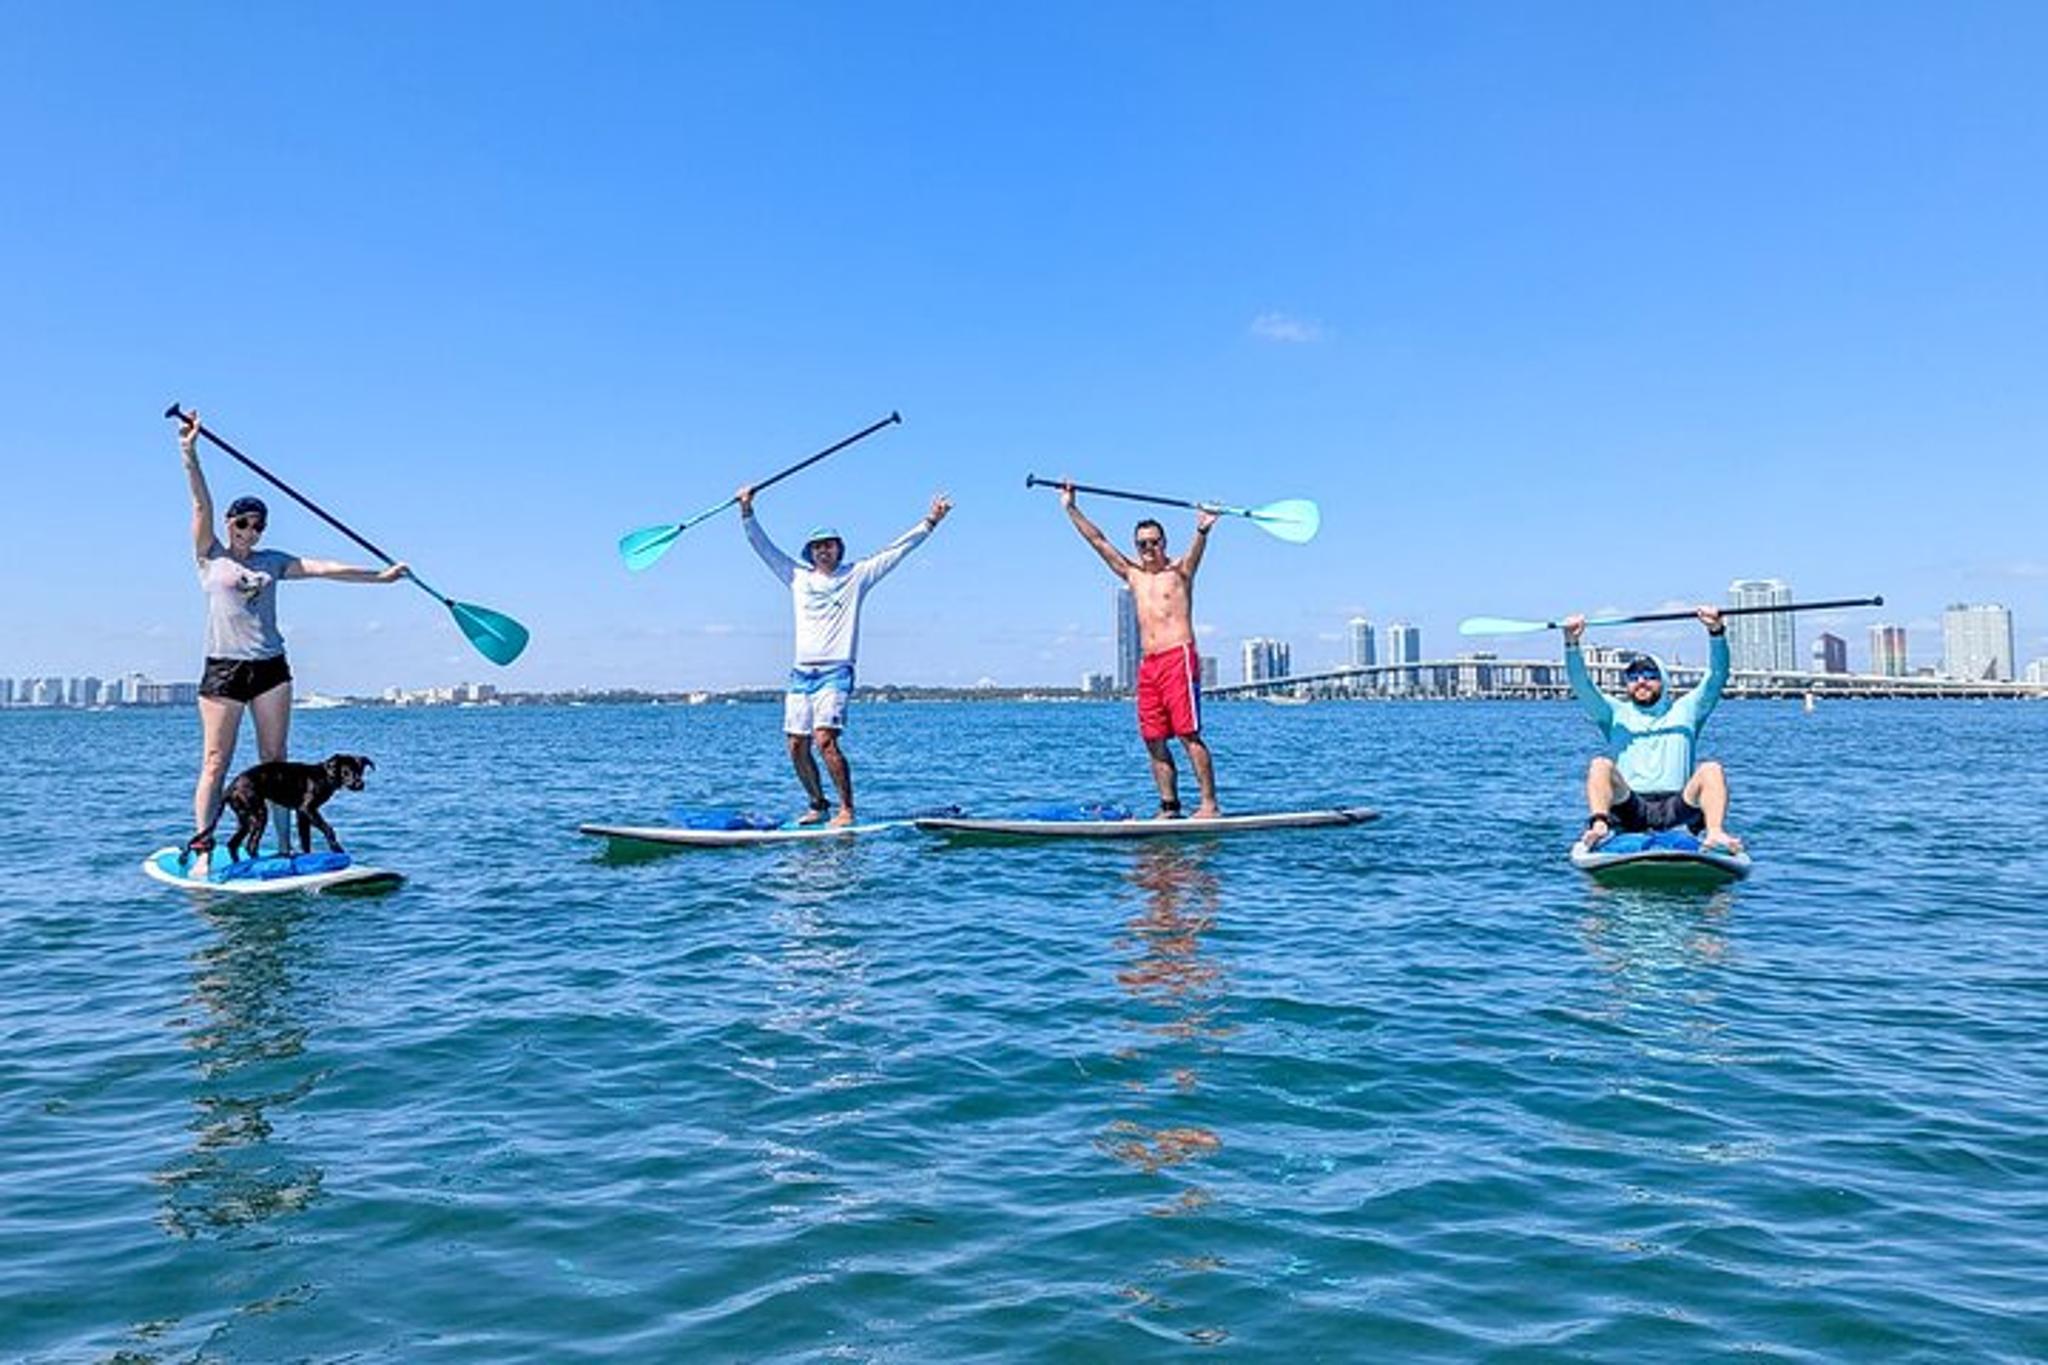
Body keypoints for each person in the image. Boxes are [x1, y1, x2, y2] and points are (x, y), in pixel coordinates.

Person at [178, 410, 408, 871]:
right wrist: (190, 453)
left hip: (271, 668)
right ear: (230, 523)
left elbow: (323, 568)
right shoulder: (210, 557)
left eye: (258, 525)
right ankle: (203, 850)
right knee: (215, 761)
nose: (250, 531)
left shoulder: (273, 561)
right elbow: (201, 506)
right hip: (223, 670)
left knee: (275, 761)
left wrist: (380, 578)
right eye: (243, 523)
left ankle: (285, 848)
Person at [739, 483, 951, 826]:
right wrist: (747, 511)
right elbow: (762, 547)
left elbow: (897, 550)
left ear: (839, 548)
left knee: (825, 740)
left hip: (836, 671)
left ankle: (846, 809)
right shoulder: (795, 576)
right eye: (818, 546)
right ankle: (817, 804)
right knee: (795, 745)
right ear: (811, 552)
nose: (824, 550)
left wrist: (930, 521)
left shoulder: (856, 575)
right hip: (801, 673)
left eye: (829, 545)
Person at [1057, 481, 1221, 818]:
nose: (1148, 548)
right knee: (1153, 737)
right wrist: (1071, 508)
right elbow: (1098, 541)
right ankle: (1169, 806)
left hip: (1178, 658)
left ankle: (1209, 805)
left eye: (1154, 542)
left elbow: (1196, 551)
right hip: (1149, 666)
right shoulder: (1132, 574)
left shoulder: (1180, 571)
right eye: (1142, 543)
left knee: (1188, 734)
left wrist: (1203, 529)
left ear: (1164, 543)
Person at [1563, 605, 1742, 853]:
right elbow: (1582, 685)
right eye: (1633, 677)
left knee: (1711, 769)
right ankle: (1600, 826)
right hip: (1631, 805)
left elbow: (1717, 676)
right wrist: (1571, 643)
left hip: (1678, 805)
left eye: (1649, 675)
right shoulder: (1614, 713)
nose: (1641, 682)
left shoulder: (1687, 710)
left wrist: (1716, 631)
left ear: (1664, 680)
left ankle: (1715, 833)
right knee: (1600, 765)